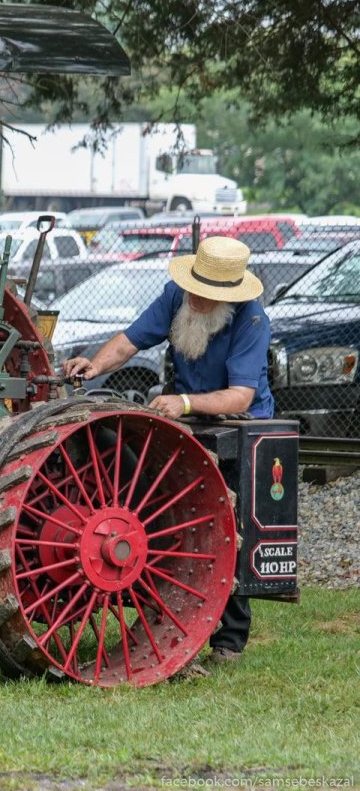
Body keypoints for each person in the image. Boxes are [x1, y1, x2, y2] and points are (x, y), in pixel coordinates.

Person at [62, 236, 274, 663]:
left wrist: (184, 403)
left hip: (242, 426)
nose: (195, 299)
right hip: (190, 417)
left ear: (227, 297)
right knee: (165, 514)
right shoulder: (176, 294)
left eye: (206, 295)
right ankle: (173, 612)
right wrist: (95, 365)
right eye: (195, 289)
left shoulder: (252, 321)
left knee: (225, 526)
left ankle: (229, 641)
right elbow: (130, 341)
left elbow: (239, 398)